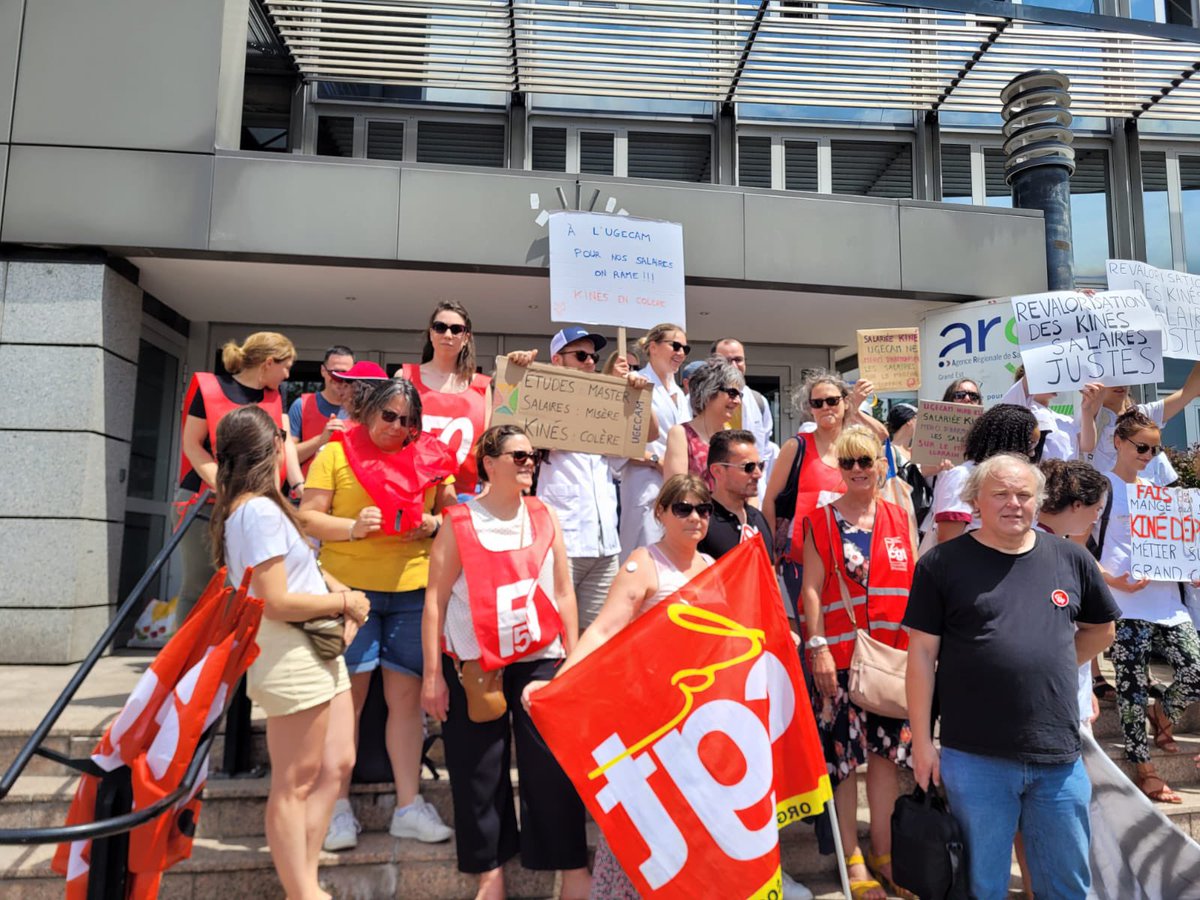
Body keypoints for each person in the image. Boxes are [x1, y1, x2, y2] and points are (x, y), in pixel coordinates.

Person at [526, 475, 823, 900]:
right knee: (648, 825)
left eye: (703, 509)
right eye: (683, 508)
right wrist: (558, 682)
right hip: (652, 724)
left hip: (699, 720)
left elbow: (731, 636)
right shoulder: (642, 564)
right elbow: (604, 630)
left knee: (698, 823)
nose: (695, 517)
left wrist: (777, 638)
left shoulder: (713, 568)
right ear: (661, 513)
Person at [906, 454, 1119, 900]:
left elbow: (1102, 630)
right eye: (1000, 493)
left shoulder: (1071, 558)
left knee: (1067, 886)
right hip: (974, 757)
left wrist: (1054, 663)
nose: (1013, 503)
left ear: (1039, 501)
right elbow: (922, 655)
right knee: (982, 886)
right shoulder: (941, 564)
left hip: (1058, 757)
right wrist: (922, 743)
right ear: (975, 500)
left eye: (1024, 494)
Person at [421, 425, 589, 900]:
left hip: (540, 656)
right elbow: (434, 600)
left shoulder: (544, 513)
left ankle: (571, 866)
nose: (528, 463)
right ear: (489, 464)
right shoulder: (458, 521)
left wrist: (573, 658)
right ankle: (489, 871)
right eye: (518, 456)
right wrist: (432, 676)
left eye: (532, 456)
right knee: (478, 768)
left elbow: (563, 591)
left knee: (553, 764)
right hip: (476, 662)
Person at [210, 405, 369, 900]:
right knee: (295, 781)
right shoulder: (257, 512)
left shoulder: (260, 507)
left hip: (310, 645)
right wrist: (345, 603)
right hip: (289, 649)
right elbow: (276, 601)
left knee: (336, 764)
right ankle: (302, 891)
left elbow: (299, 574)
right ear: (274, 448)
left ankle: (306, 880)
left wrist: (341, 597)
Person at [299, 378, 458, 850]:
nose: (397, 426)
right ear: (369, 412)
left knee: (406, 703)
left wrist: (432, 523)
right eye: (389, 415)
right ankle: (336, 808)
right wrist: (352, 527)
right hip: (349, 594)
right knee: (347, 703)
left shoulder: (431, 457)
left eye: (407, 420)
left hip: (413, 592)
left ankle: (409, 806)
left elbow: (455, 517)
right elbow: (308, 517)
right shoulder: (334, 453)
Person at [800, 428, 914, 900]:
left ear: (880, 464)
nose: (857, 470)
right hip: (841, 658)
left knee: (886, 759)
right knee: (844, 763)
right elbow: (811, 589)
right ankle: (853, 858)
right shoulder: (820, 521)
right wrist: (818, 648)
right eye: (847, 463)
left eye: (865, 461)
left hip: (891, 660)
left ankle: (884, 853)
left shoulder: (899, 516)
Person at [507, 327, 655, 629]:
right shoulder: (537, 402)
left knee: (596, 635)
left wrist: (640, 396)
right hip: (562, 545)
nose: (589, 362)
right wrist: (514, 371)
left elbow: (648, 434)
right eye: (581, 355)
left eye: (593, 357)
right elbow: (503, 424)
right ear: (557, 360)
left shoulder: (605, 407)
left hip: (605, 546)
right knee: (554, 631)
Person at [1093, 409, 1200, 803]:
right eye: (1141, 447)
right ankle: (1144, 768)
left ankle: (1164, 713)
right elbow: (1079, 547)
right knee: (1132, 688)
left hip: (1167, 603)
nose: (1147, 456)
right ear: (1118, 442)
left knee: (1195, 670)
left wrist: (1191, 568)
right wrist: (1112, 580)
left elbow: (1183, 545)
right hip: (1123, 605)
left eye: (1154, 450)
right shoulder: (1100, 488)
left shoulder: (1161, 493)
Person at [176, 331, 303, 623]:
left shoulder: (275, 397)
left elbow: (281, 452)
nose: (287, 375)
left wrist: (290, 491)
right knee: (197, 588)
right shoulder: (209, 388)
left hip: (252, 507)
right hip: (205, 503)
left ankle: (227, 650)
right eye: (285, 367)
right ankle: (186, 653)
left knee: (240, 588)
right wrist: (227, 488)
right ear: (268, 363)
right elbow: (192, 445)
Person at [762, 371, 878, 620]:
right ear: (810, 409)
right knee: (808, 632)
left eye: (832, 401)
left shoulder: (857, 449)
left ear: (845, 402)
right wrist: (771, 551)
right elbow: (770, 500)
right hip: (801, 560)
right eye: (817, 402)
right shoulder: (796, 446)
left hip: (851, 559)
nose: (826, 407)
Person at [400, 301, 491, 498]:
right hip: (411, 493)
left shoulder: (484, 387)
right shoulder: (405, 377)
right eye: (440, 327)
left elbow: (490, 446)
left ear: (466, 338)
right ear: (431, 333)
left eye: (456, 329)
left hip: (464, 497)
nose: (448, 335)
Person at [618, 323, 692, 560]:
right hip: (644, 484)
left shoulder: (681, 394)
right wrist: (656, 460)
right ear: (653, 347)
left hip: (676, 488)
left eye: (685, 348)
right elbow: (619, 440)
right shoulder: (636, 383)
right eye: (675, 345)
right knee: (642, 556)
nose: (681, 353)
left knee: (669, 560)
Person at [927, 403, 1039, 545]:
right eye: (1030, 443)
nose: (1032, 452)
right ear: (1008, 440)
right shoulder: (963, 476)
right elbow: (948, 539)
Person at [1076, 367, 1200, 485]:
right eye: (1111, 378)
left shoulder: (1144, 414)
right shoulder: (1088, 415)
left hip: (1145, 495)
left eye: (1124, 376)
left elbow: (1189, 392)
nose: (1120, 383)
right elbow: (1085, 444)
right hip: (1106, 495)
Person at [663, 356, 745, 487]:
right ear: (709, 392)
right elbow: (676, 491)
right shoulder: (681, 434)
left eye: (740, 395)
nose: (737, 401)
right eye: (732, 393)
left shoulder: (735, 439)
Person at [712, 338, 779, 498]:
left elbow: (765, 451)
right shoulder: (697, 402)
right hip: (713, 489)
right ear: (713, 364)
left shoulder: (759, 401)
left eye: (738, 360)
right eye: (727, 361)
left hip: (751, 493)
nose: (734, 366)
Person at [698, 429, 774, 564]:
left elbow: (770, 571)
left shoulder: (758, 518)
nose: (758, 474)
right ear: (718, 471)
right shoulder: (700, 521)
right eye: (748, 467)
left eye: (760, 466)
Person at [289, 345, 355, 476]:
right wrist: (321, 439)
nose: (339, 379)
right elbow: (287, 458)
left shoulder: (362, 409)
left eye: (345, 374)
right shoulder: (302, 405)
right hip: (308, 486)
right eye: (334, 373)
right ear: (323, 371)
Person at [1001, 365, 1076, 462]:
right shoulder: (1019, 409)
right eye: (1047, 378)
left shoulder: (1065, 420)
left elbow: (1086, 446)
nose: (1054, 382)